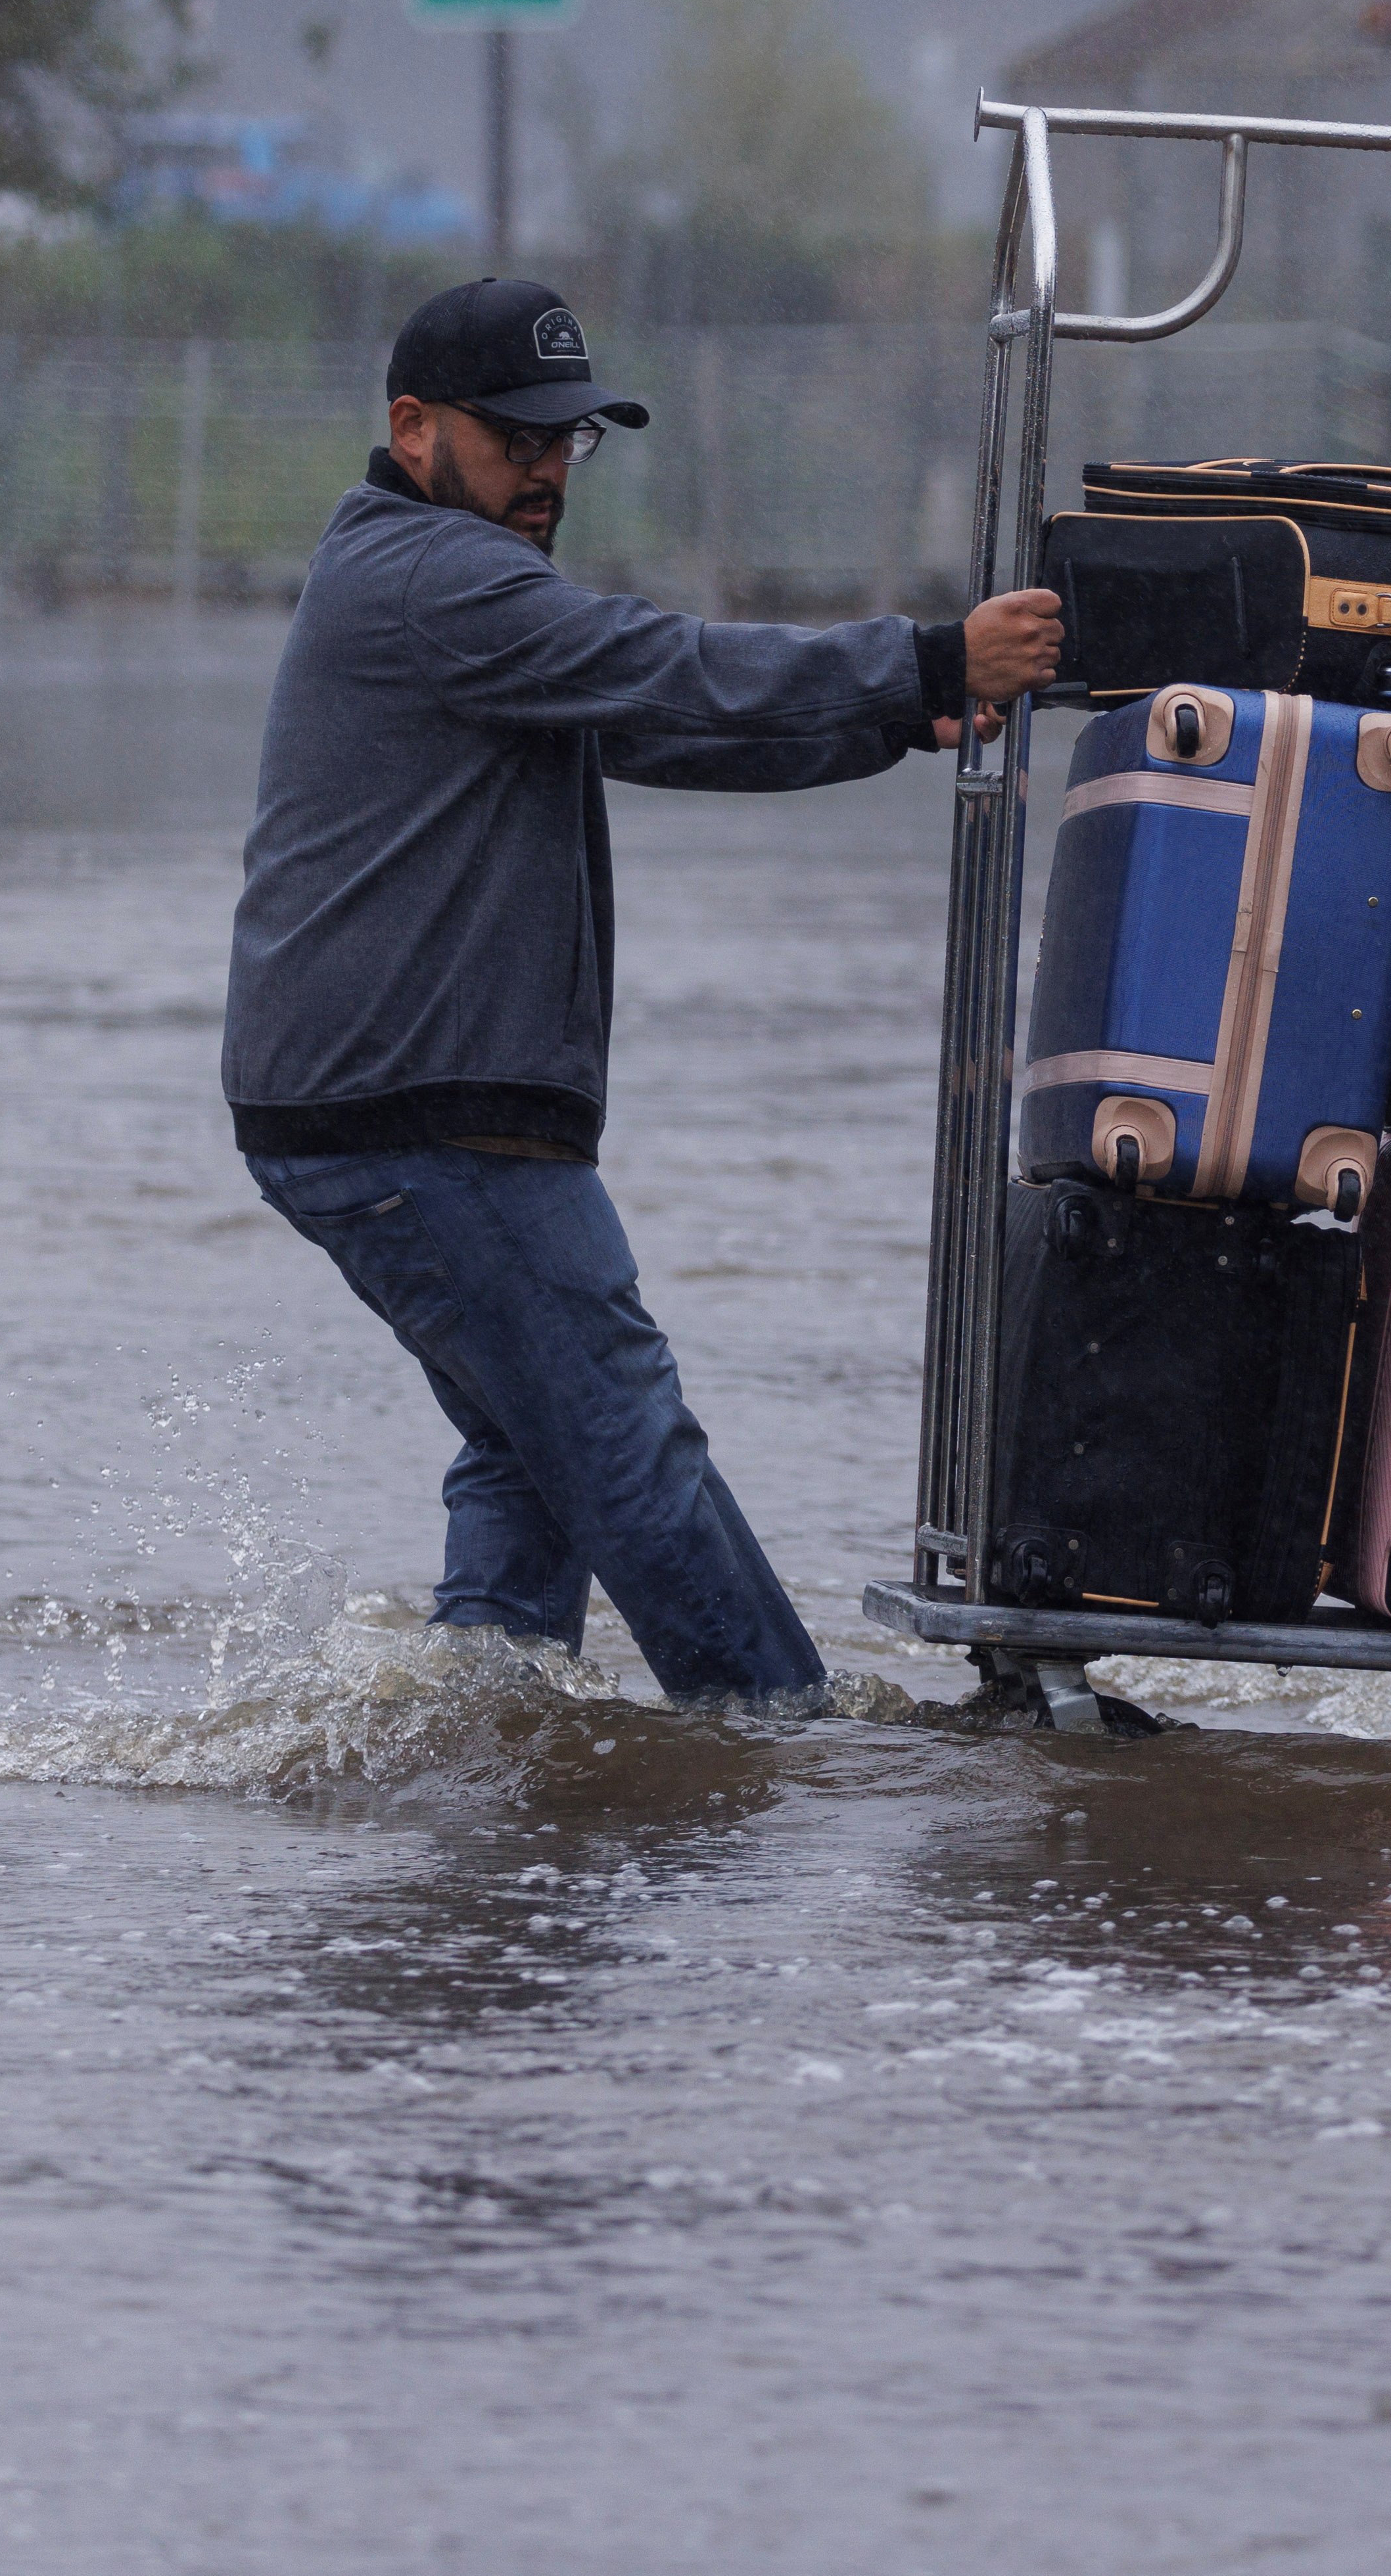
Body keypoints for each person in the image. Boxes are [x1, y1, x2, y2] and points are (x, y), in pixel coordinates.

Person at [225, 277, 1062, 1709]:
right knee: (623, 1442)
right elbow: (668, 667)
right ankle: (780, 1746)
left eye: (572, 440)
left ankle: (477, 1748)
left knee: (535, 1456)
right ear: (412, 426)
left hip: (366, 1111)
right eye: (517, 437)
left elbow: (666, 726)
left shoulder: (434, 589)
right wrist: (925, 656)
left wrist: (907, 716)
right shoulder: (443, 579)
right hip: (431, 1120)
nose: (549, 468)